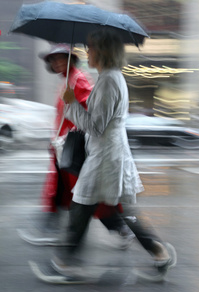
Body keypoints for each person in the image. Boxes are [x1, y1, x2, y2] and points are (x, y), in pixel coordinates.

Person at [53, 29, 176, 274]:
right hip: (106, 154)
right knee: (106, 207)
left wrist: (72, 104)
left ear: (103, 51)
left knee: (83, 204)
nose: (87, 52)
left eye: (91, 47)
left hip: (107, 157)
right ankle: (157, 251)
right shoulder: (108, 78)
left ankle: (65, 261)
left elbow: (96, 126)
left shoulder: (109, 80)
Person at [18, 44, 134, 248]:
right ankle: (55, 230)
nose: (55, 62)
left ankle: (117, 230)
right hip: (64, 146)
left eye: (60, 58)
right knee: (67, 193)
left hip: (74, 146)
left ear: (71, 59)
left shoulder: (78, 79)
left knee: (85, 197)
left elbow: (91, 111)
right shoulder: (68, 80)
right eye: (52, 60)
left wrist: (70, 127)